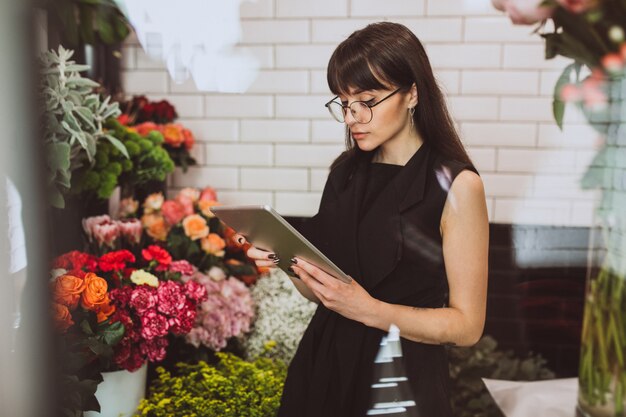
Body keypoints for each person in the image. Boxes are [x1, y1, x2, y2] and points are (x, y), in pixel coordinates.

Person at [234, 21, 489, 417]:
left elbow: (467, 326)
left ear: (413, 94)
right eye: (344, 103)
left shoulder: (457, 185)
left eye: (367, 101)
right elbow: (323, 291)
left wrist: (368, 309)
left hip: (399, 377)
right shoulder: (345, 172)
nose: (353, 117)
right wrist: (285, 261)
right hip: (324, 365)